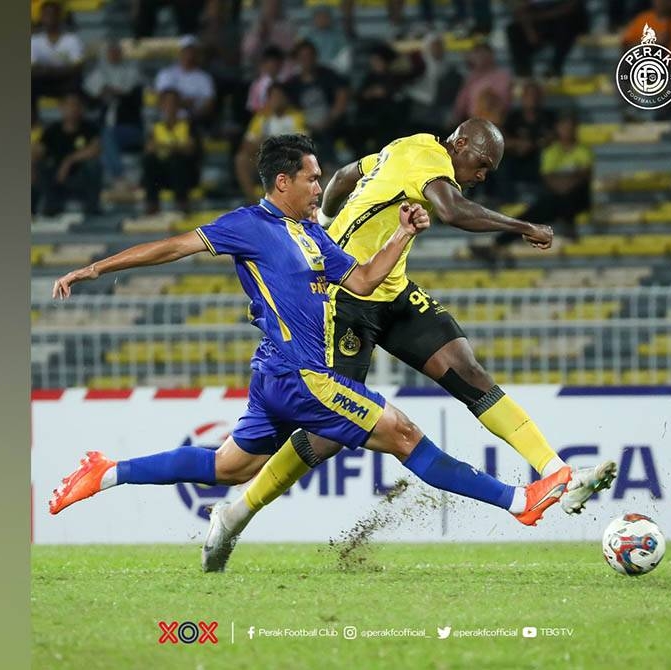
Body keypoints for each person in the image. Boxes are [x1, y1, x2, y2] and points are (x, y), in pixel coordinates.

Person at [47, 135, 579, 554]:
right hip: (303, 377)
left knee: (229, 467)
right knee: (405, 434)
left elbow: (366, 281)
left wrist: (403, 233)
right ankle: (519, 501)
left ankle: (106, 472)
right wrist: (95, 268)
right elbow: (172, 247)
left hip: (275, 378)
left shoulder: (315, 236)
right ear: (283, 182)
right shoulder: (248, 226)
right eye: (313, 179)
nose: (321, 188)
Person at [200, 120, 616, 571]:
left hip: (392, 291)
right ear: (459, 144)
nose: (481, 175)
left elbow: (341, 179)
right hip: (345, 299)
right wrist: (523, 225)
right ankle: (235, 514)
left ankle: (557, 473)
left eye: (490, 171)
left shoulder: (403, 147)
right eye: (480, 164)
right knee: (326, 435)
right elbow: (454, 211)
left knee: (468, 371)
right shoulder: (429, 160)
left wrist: (323, 224)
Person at [472, 114, 592, 262]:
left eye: (570, 127)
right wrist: (570, 177)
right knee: (539, 209)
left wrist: (564, 180)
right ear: (558, 129)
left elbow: (583, 177)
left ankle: (498, 243)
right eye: (564, 126)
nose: (567, 130)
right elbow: (550, 179)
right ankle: (499, 244)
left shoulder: (583, 150)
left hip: (576, 201)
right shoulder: (552, 151)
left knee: (570, 195)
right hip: (556, 201)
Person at [83, 40, 144, 186]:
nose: (114, 55)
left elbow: (136, 103)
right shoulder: (97, 75)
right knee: (102, 138)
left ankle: (118, 175)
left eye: (117, 52)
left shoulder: (132, 75)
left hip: (130, 129)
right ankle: (114, 180)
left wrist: (117, 94)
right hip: (105, 130)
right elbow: (89, 104)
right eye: (111, 52)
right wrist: (101, 96)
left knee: (105, 136)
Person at [283, 40, 350, 170]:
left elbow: (342, 97)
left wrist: (329, 119)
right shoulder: (292, 84)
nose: (306, 60)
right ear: (297, 59)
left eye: (309, 56)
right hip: (303, 127)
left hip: (330, 124)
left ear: (315, 57)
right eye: (302, 57)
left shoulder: (329, 75)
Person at [35, 93, 103, 217]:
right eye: (68, 105)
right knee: (39, 165)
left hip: (80, 178)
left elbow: (95, 149)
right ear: (61, 108)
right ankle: (48, 207)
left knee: (94, 165)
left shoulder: (90, 128)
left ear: (81, 108)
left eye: (76, 105)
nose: (72, 109)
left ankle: (93, 208)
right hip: (56, 178)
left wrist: (68, 161)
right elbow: (38, 151)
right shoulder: (52, 130)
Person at [234, 84, 306, 197]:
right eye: (273, 97)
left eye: (279, 96)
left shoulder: (295, 116)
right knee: (241, 159)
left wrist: (271, 143)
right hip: (264, 159)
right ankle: (254, 200)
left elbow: (302, 144)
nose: (276, 100)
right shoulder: (261, 117)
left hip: (287, 160)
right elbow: (247, 144)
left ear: (286, 98)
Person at [141, 90, 200, 214]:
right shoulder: (156, 127)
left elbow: (190, 149)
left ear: (178, 106)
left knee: (177, 160)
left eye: (173, 103)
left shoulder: (188, 125)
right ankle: (152, 205)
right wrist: (176, 146)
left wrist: (163, 146)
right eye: (166, 103)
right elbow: (149, 149)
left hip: (184, 173)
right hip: (162, 173)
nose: (170, 106)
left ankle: (182, 204)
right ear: (161, 106)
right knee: (149, 161)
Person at [506, 0, 590, 79]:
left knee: (566, 25)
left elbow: (570, 7)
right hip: (542, 19)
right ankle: (523, 72)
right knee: (513, 30)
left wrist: (541, 16)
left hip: (566, 19)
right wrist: (529, 30)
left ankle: (555, 67)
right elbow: (519, 10)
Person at [31, 0, 84, 113]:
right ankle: (32, 123)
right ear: (41, 17)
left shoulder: (72, 39)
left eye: (52, 14)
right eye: (46, 15)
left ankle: (73, 118)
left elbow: (77, 67)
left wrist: (49, 70)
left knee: (77, 80)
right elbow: (33, 68)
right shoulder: (34, 41)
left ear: (59, 17)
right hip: (44, 82)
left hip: (66, 83)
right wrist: (59, 70)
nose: (49, 18)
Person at [154, 35, 217, 125]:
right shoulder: (166, 73)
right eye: (186, 50)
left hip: (194, 121)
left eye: (192, 51)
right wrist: (187, 103)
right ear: (180, 52)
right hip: (168, 120)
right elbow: (163, 100)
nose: (189, 54)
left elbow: (209, 104)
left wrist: (181, 104)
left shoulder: (205, 77)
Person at [452, 43, 512, 126]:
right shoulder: (471, 77)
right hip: (471, 121)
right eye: (476, 55)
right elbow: (461, 103)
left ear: (491, 56)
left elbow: (502, 101)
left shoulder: (502, 75)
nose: (479, 58)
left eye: (482, 54)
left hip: (494, 121)